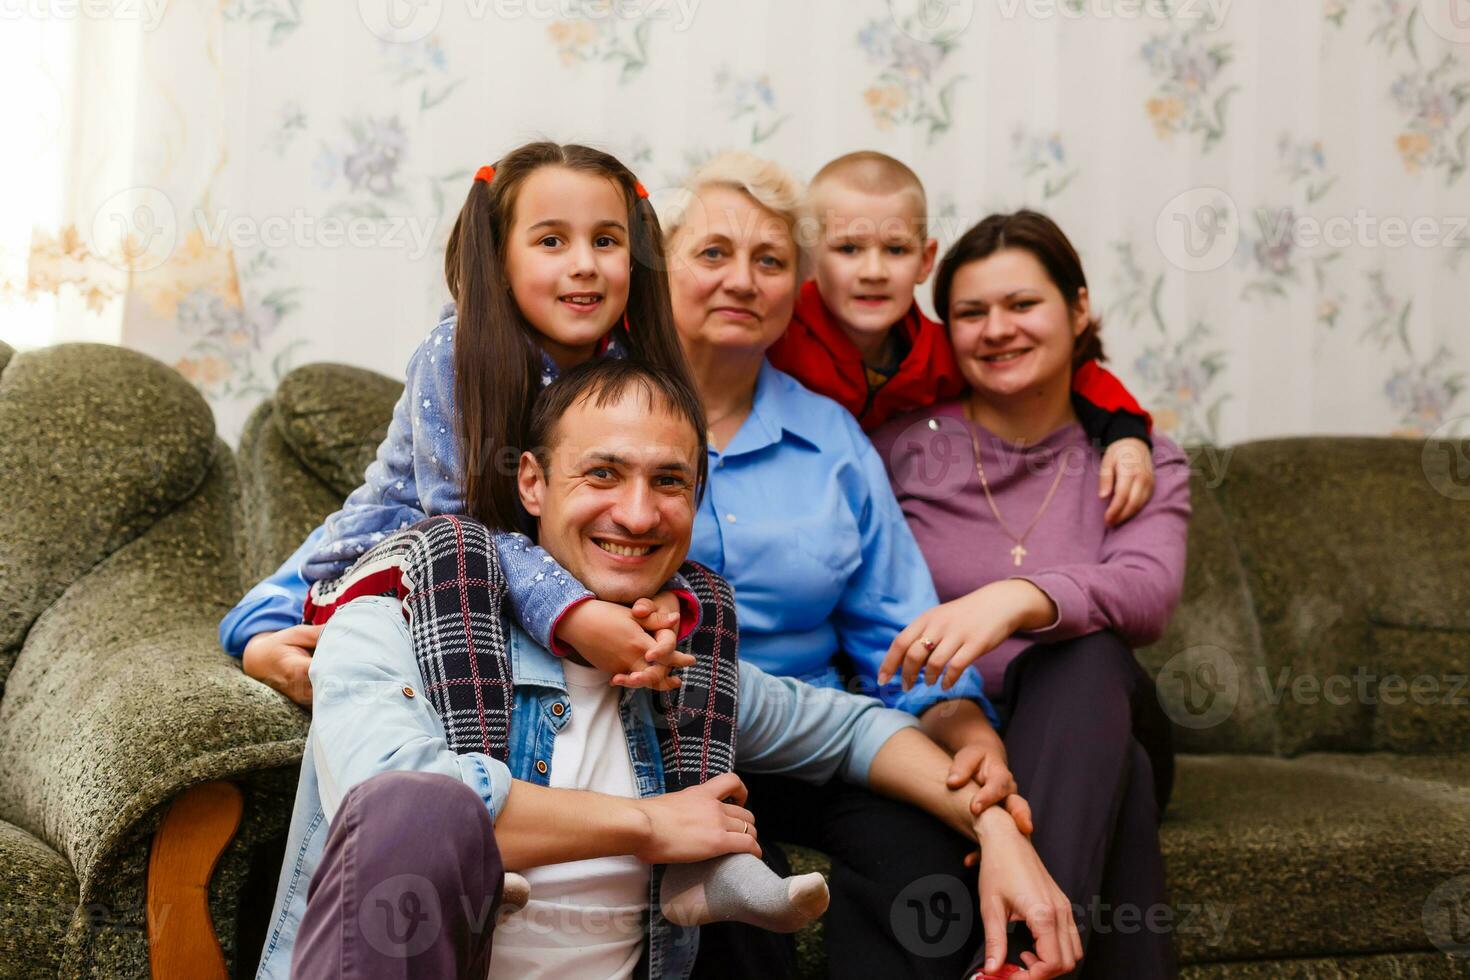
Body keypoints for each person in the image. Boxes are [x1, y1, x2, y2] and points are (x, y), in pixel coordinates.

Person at [263, 358, 1081, 980]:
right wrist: (654, 827)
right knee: (418, 809)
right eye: (603, 474)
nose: (638, 513)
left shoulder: (685, 669)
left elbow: (854, 732)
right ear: (533, 483)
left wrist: (998, 829)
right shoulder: (395, 619)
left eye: (669, 483)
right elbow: (399, 797)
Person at [222, 141, 812, 937]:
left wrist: (662, 602)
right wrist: (573, 615)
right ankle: (474, 846)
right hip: (394, 565)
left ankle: (703, 859)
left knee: (706, 590)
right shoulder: (455, 351)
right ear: (496, 260)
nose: (585, 266)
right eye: (551, 241)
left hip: (490, 575)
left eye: (607, 242)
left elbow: (630, 523)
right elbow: (457, 523)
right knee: (461, 551)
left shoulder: (625, 368)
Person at [657, 151, 1027, 978]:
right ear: (662, 268)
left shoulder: (831, 438)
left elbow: (898, 632)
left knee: (929, 875)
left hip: (819, 736)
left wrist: (968, 738)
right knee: (733, 916)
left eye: (771, 261)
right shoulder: (606, 416)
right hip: (667, 742)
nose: (743, 280)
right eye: (713, 253)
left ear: (799, 287)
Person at [872, 210, 1192, 978]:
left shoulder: (1138, 460)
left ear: (1078, 311)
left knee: (1081, 655)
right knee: (1131, 789)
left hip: (1099, 708)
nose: (996, 329)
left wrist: (1019, 598)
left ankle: (1018, 948)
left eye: (1023, 305)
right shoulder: (902, 448)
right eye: (971, 313)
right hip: (948, 731)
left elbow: (1147, 595)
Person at [766, 150, 1156, 527]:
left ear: (925, 260)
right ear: (811, 259)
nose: (874, 271)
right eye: (849, 248)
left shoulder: (940, 352)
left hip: (875, 517)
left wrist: (1126, 436)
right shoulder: (776, 333)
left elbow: (1068, 372)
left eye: (896, 249)